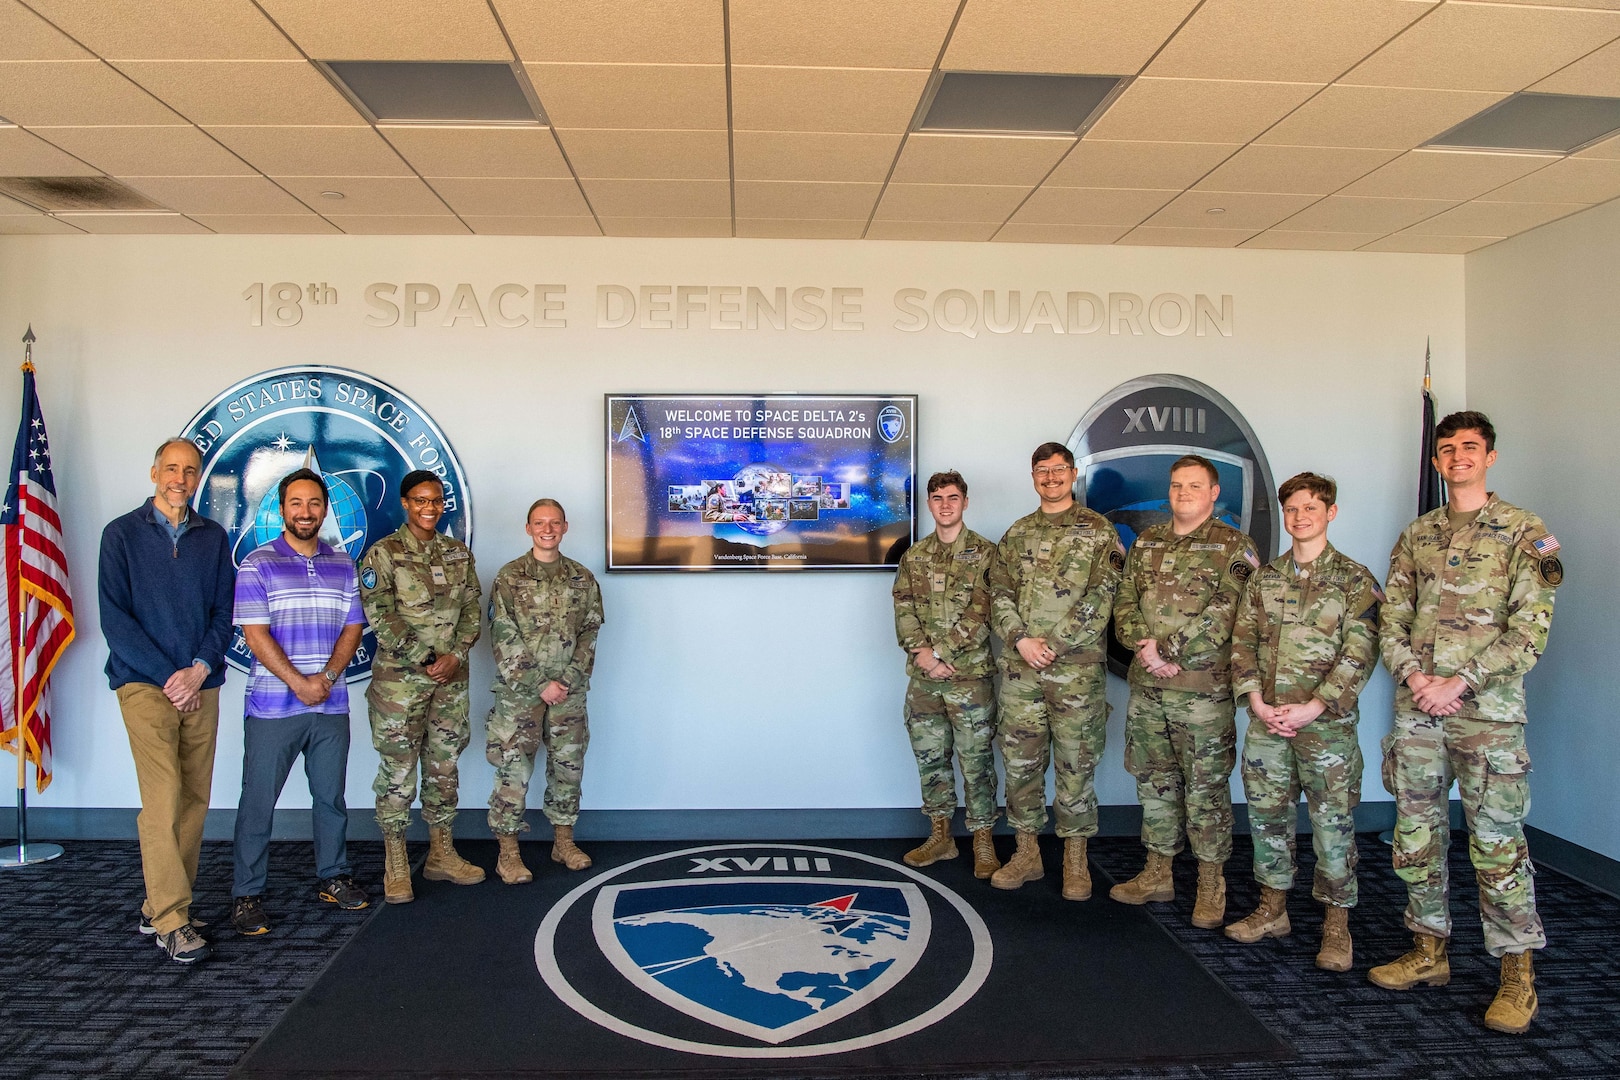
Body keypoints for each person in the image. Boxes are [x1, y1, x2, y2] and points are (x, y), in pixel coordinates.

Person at [1371, 411, 1560, 1035]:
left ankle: (1516, 974)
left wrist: (1461, 681)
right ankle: (1429, 952)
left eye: (1470, 448)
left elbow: (1529, 632)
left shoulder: (1523, 531)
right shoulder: (1417, 534)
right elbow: (1390, 618)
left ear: (1491, 457)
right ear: (1437, 461)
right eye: (1447, 449)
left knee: (1497, 844)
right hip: (1420, 712)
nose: (1458, 457)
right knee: (1417, 838)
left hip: (1488, 718)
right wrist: (1417, 678)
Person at [1227, 472, 1381, 971]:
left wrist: (1316, 705)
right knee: (1268, 820)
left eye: (1311, 507)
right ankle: (1273, 909)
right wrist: (1254, 700)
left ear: (1330, 513)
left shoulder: (1355, 581)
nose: (1301, 517)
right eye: (1292, 509)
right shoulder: (1264, 578)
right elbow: (1242, 642)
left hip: (1325, 727)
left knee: (1331, 826)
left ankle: (1337, 926)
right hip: (1268, 723)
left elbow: (1362, 651)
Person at [98, 438, 235, 964]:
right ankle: (172, 919)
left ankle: (160, 900)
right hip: (144, 684)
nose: (180, 478)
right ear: (154, 471)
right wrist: (168, 676)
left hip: (202, 683)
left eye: (190, 470)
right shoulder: (121, 535)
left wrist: (198, 670)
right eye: (171, 468)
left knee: (195, 798)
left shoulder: (213, 537)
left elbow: (224, 613)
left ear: (199, 478)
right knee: (163, 798)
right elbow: (116, 619)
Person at [1110, 454, 1258, 928]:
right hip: (1149, 688)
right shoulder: (1148, 541)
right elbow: (1124, 600)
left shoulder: (1235, 546)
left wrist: (1169, 649)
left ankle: (1211, 883)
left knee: (1206, 792)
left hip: (1203, 694)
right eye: (1176, 486)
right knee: (1154, 784)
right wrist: (1144, 647)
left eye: (1194, 486)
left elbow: (1227, 612)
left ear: (1214, 493)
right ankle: (1158, 872)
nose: (1183, 493)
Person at [229, 468, 369, 936]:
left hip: (329, 705)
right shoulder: (257, 564)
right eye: (295, 503)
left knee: (330, 798)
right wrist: (298, 682)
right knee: (258, 802)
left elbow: (353, 628)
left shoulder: (342, 563)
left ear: (325, 508)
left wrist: (326, 678)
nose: (305, 512)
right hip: (273, 706)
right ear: (281, 508)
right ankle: (247, 894)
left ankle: (334, 877)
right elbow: (255, 634)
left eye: (313, 503)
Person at [988, 442, 1123, 898]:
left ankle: (1075, 860)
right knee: (1021, 765)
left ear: (1072, 474)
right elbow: (998, 593)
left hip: (1076, 674)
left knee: (1075, 765)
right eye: (1043, 471)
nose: (1051, 478)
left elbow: (1104, 595)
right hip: (1021, 671)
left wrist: (1056, 643)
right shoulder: (1017, 533)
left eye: (1059, 469)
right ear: (1033, 476)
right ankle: (1027, 854)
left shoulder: (1099, 531)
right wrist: (1021, 640)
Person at [359, 470, 484, 904]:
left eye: (435, 501)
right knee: (397, 774)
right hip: (400, 686)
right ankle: (395, 863)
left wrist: (456, 655)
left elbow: (472, 610)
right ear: (405, 504)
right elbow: (380, 615)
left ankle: (441, 854)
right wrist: (428, 658)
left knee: (443, 767)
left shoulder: (457, 554)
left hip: (450, 683)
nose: (429, 508)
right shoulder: (384, 554)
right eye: (420, 501)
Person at [485, 499, 604, 884]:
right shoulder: (510, 576)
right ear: (528, 528)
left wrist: (565, 680)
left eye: (554, 523)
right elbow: (502, 633)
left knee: (568, 768)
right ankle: (508, 853)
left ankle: (563, 842)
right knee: (513, 772)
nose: (547, 529)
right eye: (540, 523)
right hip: (520, 694)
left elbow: (590, 631)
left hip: (569, 692)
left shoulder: (582, 578)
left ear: (565, 527)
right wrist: (541, 684)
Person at [890, 470, 1000, 878]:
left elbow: (986, 608)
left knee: (976, 761)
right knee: (931, 759)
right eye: (937, 498)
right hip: (924, 681)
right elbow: (903, 608)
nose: (945, 504)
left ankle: (984, 841)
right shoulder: (914, 556)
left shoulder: (986, 553)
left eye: (953, 497)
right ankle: (942, 836)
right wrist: (924, 654)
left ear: (965, 502)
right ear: (929, 504)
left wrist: (943, 652)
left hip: (969, 679)